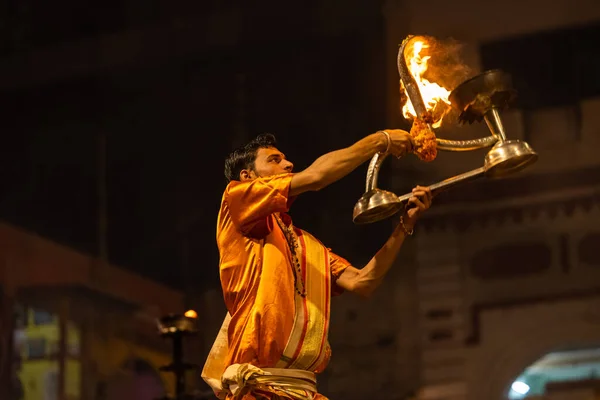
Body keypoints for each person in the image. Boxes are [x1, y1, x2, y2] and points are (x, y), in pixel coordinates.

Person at [202, 130, 433, 400]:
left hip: (305, 393)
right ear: (248, 177)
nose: (288, 165)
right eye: (274, 160)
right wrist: (380, 141)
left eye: (285, 160)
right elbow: (316, 177)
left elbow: (363, 281)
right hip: (259, 390)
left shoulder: (307, 245)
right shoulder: (236, 198)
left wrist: (406, 224)